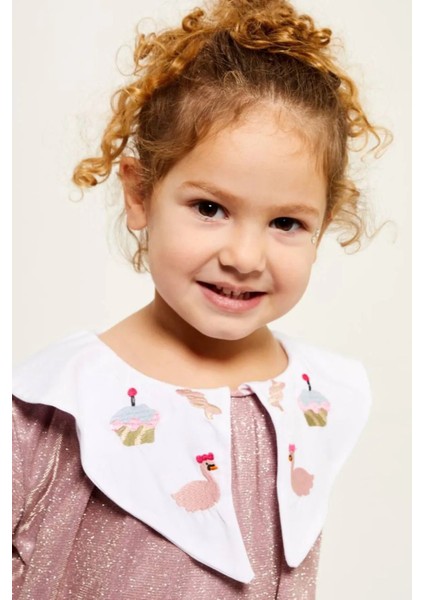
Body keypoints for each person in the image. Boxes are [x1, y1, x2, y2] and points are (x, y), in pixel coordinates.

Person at [12, 0, 388, 598]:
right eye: (210, 208)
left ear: (324, 223)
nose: (245, 256)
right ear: (140, 194)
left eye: (286, 222)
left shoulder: (316, 398)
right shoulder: (55, 407)